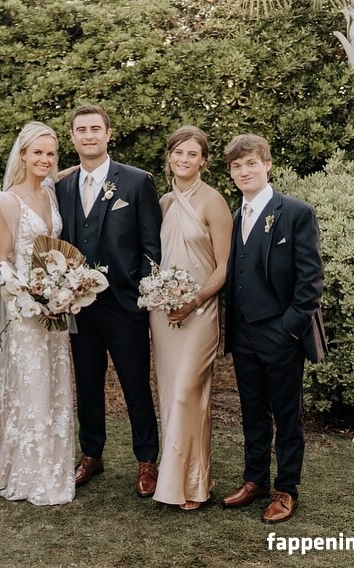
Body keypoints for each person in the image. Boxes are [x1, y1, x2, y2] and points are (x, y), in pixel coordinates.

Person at [0, 121, 75, 505]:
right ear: (23, 155)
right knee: (31, 386)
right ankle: (28, 468)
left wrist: (62, 292)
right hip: (26, 309)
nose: (44, 159)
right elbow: (3, 263)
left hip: (55, 307)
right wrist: (33, 298)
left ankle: (52, 461)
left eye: (50, 153)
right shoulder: (7, 201)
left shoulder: (51, 193)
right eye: (37, 152)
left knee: (54, 383)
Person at [55, 105, 162, 496]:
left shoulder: (136, 182)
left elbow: (152, 246)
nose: (88, 135)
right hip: (79, 306)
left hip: (124, 304)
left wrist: (141, 293)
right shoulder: (62, 187)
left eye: (95, 129)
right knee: (87, 383)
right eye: (81, 130)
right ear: (73, 137)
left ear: (108, 133)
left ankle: (147, 459)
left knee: (136, 385)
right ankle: (92, 454)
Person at [220, 134, 327, 523]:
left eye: (251, 163)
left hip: (281, 335)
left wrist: (290, 331)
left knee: (287, 415)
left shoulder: (296, 212)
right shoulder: (234, 217)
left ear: (267, 165)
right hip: (243, 334)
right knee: (252, 411)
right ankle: (255, 480)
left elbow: (311, 281)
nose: (244, 171)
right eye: (236, 166)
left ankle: (286, 489)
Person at [150, 126, 232, 510]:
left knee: (188, 393)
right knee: (172, 396)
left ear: (203, 161)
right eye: (178, 152)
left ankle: (195, 483)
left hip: (200, 311)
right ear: (169, 156)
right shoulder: (163, 203)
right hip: (164, 315)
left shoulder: (213, 202)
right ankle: (180, 482)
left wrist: (194, 299)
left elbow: (224, 266)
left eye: (192, 154)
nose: (184, 159)